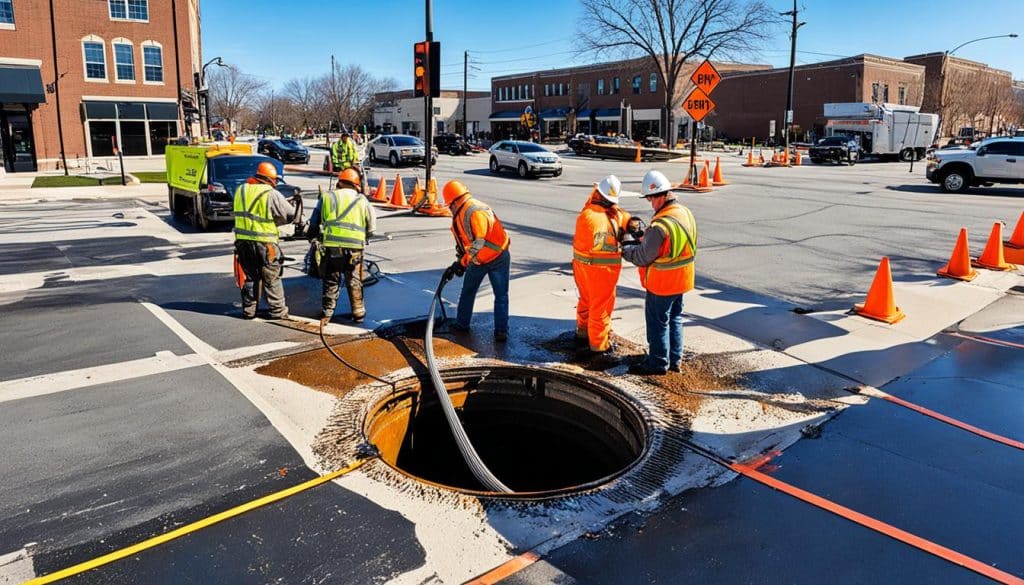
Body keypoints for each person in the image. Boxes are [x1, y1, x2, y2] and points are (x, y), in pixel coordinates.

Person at [622, 170, 698, 375]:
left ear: (662, 195)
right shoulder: (684, 212)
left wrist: (625, 250)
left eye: (651, 198)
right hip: (681, 279)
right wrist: (645, 241)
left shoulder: (660, 225)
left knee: (658, 323)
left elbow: (643, 257)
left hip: (662, 283)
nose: (649, 202)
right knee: (675, 318)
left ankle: (657, 363)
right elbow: (670, 246)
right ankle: (674, 360)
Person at [441, 180, 511, 342]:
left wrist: (463, 263)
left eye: (449, 205)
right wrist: (459, 261)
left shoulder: (473, 212)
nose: (449, 209)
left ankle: (497, 330)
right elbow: (466, 240)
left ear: (454, 201)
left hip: (494, 258)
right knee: (475, 293)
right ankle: (466, 324)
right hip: (484, 258)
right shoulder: (465, 210)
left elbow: (478, 242)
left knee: (495, 295)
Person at [307, 168, 377, 324]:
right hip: (354, 248)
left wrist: (311, 236)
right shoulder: (361, 200)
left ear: (339, 182)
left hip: (331, 247)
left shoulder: (326, 197)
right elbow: (372, 227)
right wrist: (364, 236)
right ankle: (358, 313)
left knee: (331, 279)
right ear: (356, 185)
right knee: (354, 280)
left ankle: (327, 313)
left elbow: (313, 223)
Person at [572, 175, 631, 354]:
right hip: (602, 272)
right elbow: (619, 218)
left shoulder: (588, 213)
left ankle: (582, 332)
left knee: (586, 301)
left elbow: (620, 216)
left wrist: (629, 220)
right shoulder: (607, 217)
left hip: (582, 268)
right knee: (601, 308)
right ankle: (598, 346)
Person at [233, 161, 296, 320]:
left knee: (250, 277)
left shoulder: (240, 190)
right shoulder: (271, 193)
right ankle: (277, 311)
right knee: (271, 277)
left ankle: (249, 310)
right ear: (269, 179)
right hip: (265, 243)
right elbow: (289, 214)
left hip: (243, 243)